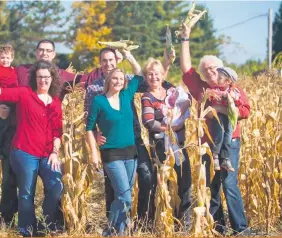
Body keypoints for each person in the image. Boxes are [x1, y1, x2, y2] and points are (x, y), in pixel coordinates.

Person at [179, 23, 250, 235]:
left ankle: (241, 229)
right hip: (208, 146)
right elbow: (186, 69)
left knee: (229, 184)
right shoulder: (201, 89)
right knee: (212, 187)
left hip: (229, 145)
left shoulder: (233, 89)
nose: (210, 71)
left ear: (222, 71)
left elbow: (245, 111)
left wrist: (222, 107)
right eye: (206, 69)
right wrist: (185, 38)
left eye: (214, 68)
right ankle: (218, 227)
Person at [0, 60, 64, 237]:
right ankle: (27, 230)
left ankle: (47, 221)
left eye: (46, 77)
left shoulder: (56, 102)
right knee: (27, 192)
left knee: (57, 186)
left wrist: (55, 153)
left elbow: (58, 132)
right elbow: (0, 92)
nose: (43, 80)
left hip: (48, 154)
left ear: (52, 78)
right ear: (34, 78)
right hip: (24, 152)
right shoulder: (24, 94)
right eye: (39, 77)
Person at [86, 68, 144, 236]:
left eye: (121, 79)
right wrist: (94, 153)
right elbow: (89, 128)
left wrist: (128, 55)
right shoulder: (99, 101)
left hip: (130, 154)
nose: (118, 81)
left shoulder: (126, 95)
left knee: (122, 195)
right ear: (108, 81)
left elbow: (139, 74)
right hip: (111, 154)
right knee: (125, 196)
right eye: (115, 79)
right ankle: (121, 232)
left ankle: (111, 231)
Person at [141, 57, 192, 230]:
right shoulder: (147, 97)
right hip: (160, 146)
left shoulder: (172, 90)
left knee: (185, 181)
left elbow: (187, 100)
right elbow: (148, 122)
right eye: (150, 74)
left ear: (163, 75)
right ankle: (162, 222)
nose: (154, 77)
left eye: (157, 74)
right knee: (163, 182)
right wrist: (170, 127)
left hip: (179, 143)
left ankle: (184, 223)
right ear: (145, 77)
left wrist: (183, 109)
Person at [208, 67, 241, 172]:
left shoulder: (233, 91)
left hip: (229, 117)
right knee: (219, 132)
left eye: (220, 78)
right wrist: (220, 95)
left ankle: (225, 158)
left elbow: (237, 97)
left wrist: (231, 96)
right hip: (219, 116)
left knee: (228, 135)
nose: (217, 79)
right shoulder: (215, 89)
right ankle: (216, 155)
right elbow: (210, 94)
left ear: (228, 81)